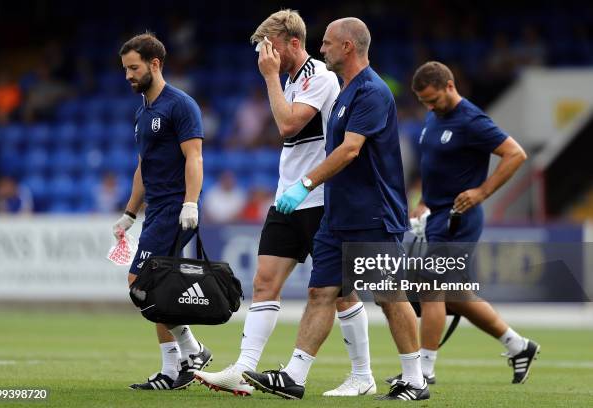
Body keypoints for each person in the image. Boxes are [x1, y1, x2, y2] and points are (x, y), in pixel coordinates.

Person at [241, 18, 430, 401]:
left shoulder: (372, 92)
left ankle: (415, 379)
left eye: (326, 44)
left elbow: (350, 150)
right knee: (321, 292)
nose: (321, 49)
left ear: (347, 46)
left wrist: (306, 183)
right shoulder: (345, 92)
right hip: (338, 213)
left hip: (373, 212)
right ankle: (294, 376)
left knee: (388, 295)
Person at [195, 10, 376, 398]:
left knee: (339, 292)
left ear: (294, 43)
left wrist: (270, 78)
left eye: (271, 46)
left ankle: (363, 374)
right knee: (263, 283)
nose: (267, 55)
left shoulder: (320, 78)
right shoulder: (292, 79)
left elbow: (289, 125)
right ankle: (243, 369)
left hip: (321, 198)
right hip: (288, 196)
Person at [386, 61, 538, 385]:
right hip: (436, 214)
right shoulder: (434, 116)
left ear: (450, 86)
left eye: (433, 100)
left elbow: (515, 154)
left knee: (429, 287)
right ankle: (518, 345)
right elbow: (435, 165)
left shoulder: (472, 120)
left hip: (460, 218)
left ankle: (424, 371)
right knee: (454, 295)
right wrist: (424, 201)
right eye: (425, 102)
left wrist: (482, 191)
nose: (429, 106)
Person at [112, 32, 212, 390]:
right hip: (155, 210)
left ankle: (192, 349)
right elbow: (144, 166)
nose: (128, 75)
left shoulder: (180, 105)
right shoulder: (142, 113)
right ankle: (175, 369)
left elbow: (194, 156)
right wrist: (129, 212)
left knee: (140, 283)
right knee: (160, 288)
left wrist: (190, 201)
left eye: (133, 68)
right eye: (125, 69)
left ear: (155, 64)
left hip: (175, 207)